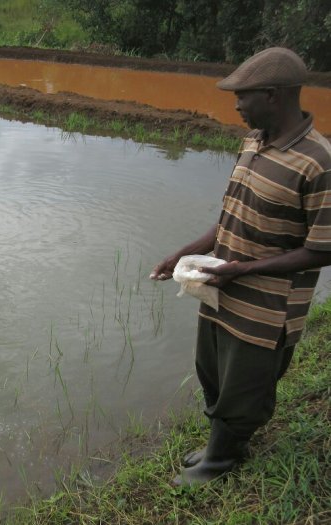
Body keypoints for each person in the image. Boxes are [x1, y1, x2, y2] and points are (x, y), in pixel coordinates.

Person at [150, 47, 331, 486]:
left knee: (245, 385)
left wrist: (244, 270)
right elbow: (231, 215)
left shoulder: (319, 162)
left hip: (267, 306)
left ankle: (221, 460)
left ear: (272, 95)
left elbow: (322, 249)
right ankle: (222, 444)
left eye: (242, 96)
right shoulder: (253, 142)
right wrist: (184, 253)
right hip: (221, 289)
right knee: (212, 369)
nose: (236, 105)